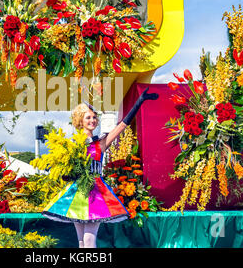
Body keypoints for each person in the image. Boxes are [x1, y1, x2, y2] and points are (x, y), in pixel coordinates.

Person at [41, 87, 159, 248]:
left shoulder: (100, 143)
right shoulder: (70, 145)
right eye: (88, 117)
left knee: (89, 240)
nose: (93, 120)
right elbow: (64, 170)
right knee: (82, 242)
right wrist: (67, 174)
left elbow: (122, 126)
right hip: (76, 192)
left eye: (95, 117)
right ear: (80, 121)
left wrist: (139, 102)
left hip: (95, 193)